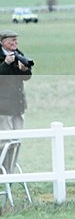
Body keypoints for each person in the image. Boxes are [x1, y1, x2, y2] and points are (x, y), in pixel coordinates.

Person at [0, 30, 33, 172]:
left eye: (16, 40)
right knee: (4, 142)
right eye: (11, 40)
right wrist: (6, 64)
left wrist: (25, 70)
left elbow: (25, 78)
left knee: (16, 141)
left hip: (18, 106)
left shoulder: (18, 54)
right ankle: (3, 172)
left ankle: (10, 170)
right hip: (3, 107)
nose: (15, 43)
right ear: (2, 41)